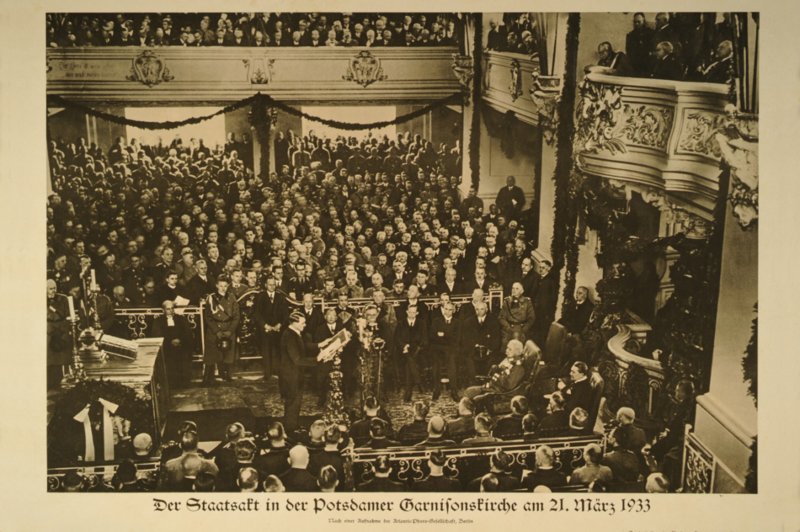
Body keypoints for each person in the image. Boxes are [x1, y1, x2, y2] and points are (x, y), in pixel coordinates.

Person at [279, 311, 321, 433]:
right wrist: (317, 359)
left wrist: (320, 345)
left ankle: (293, 426)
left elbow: (304, 346)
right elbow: (297, 360)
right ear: (294, 323)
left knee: (295, 403)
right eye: (303, 323)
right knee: (292, 403)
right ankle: (291, 430)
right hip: (291, 376)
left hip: (294, 375)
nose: (305, 325)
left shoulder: (294, 333)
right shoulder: (289, 336)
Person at [203, 274, 240, 385]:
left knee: (228, 354)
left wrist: (230, 331)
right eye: (221, 286)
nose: (223, 288)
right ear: (216, 286)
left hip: (229, 328)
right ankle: (208, 379)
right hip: (215, 330)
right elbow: (208, 317)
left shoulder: (232, 297)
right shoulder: (211, 298)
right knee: (211, 355)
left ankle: (227, 376)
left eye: (225, 286)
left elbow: (236, 316)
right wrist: (217, 331)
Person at [151, 299, 194, 389]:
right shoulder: (158, 321)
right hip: (166, 347)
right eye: (168, 309)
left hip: (181, 346)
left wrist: (180, 340)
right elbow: (157, 335)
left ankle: (183, 383)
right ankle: (170, 383)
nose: (170, 311)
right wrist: (169, 342)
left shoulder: (181, 319)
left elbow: (188, 333)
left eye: (172, 308)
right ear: (163, 310)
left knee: (184, 355)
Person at [254, 277, 288, 380]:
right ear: (265, 285)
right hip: (265, 329)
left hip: (278, 329)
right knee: (266, 350)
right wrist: (265, 325)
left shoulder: (280, 297)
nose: (272, 286)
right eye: (270, 284)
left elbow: (285, 314)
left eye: (274, 284)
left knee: (277, 350)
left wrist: (280, 325)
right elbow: (257, 314)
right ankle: (267, 374)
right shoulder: (260, 297)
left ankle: (277, 372)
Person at [459, 300, 502, 380]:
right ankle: (473, 383)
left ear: (486, 309)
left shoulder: (494, 322)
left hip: (488, 351)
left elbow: (496, 339)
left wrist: (489, 348)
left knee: (492, 360)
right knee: (469, 360)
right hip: (473, 350)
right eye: (477, 309)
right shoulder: (468, 322)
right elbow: (465, 339)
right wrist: (474, 346)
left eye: (482, 309)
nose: (479, 311)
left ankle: (487, 383)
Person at [393, 304, 428, 401]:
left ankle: (408, 392)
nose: (412, 314)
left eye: (414, 312)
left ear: (417, 313)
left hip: (418, 351)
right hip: (404, 351)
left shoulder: (422, 323)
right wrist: (404, 346)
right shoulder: (401, 324)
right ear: (407, 312)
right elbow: (397, 338)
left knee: (409, 362)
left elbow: (424, 339)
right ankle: (418, 381)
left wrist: (417, 347)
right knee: (409, 360)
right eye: (410, 312)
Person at [428, 301, 461, 401]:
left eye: (450, 309)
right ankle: (436, 389)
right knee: (436, 364)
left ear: (453, 311)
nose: (448, 311)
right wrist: (447, 336)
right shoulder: (436, 321)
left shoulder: (457, 323)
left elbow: (457, 339)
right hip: (438, 349)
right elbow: (433, 337)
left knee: (451, 364)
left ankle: (454, 391)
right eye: (446, 309)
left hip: (451, 350)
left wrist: (443, 335)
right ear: (443, 310)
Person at [47, 279, 73, 389]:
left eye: (55, 288)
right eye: (50, 288)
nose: (53, 291)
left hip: (61, 330)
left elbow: (66, 313)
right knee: (49, 359)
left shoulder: (63, 299)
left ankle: (62, 382)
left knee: (62, 358)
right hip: (48, 331)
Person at [499, 282, 535, 347]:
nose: (514, 290)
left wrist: (524, 329)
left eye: (517, 288)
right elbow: (501, 317)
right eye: (513, 288)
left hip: (522, 328)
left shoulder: (527, 302)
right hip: (508, 328)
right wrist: (508, 327)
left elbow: (531, 318)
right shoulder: (507, 301)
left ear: (522, 291)